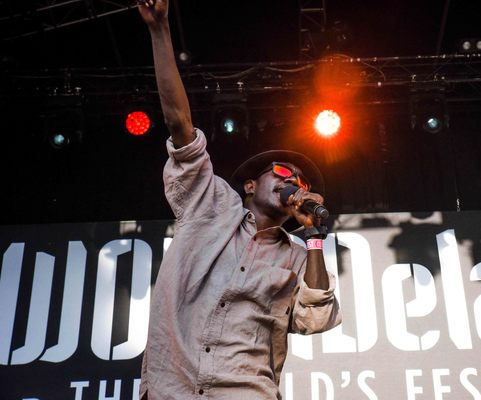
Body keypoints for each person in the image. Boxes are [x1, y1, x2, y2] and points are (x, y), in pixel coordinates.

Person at [137, 1, 342, 399]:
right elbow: (180, 124)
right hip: (171, 386)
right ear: (250, 186)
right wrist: (160, 30)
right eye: (283, 173)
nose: (294, 182)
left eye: (300, 180)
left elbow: (314, 318)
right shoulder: (209, 204)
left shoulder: (297, 256)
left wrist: (314, 235)